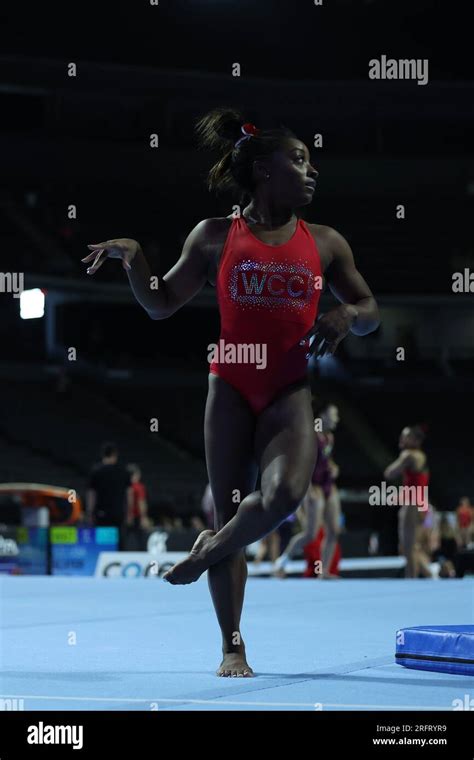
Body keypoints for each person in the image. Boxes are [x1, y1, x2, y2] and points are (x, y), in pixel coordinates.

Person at [81, 107, 380, 677]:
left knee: (286, 495)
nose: (313, 171)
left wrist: (345, 317)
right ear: (265, 170)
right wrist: (135, 257)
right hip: (232, 387)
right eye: (299, 160)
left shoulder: (327, 242)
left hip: (290, 391)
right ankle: (232, 646)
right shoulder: (217, 236)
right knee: (233, 508)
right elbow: (160, 303)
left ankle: (206, 553)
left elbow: (371, 312)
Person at [273, 403, 341, 578]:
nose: (336, 419)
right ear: (322, 415)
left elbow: (326, 461)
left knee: (333, 529)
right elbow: (302, 464)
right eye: (333, 415)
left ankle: (324, 572)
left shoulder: (330, 437)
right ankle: (283, 561)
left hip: (328, 485)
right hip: (313, 485)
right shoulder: (310, 435)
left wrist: (334, 468)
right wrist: (308, 488)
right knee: (310, 534)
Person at [384, 425, 429, 578]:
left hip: (413, 504)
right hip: (419, 502)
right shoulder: (419, 456)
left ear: (416, 440)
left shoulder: (409, 455)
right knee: (411, 547)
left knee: (409, 547)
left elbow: (389, 473)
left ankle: (412, 581)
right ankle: (429, 576)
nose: (401, 439)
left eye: (405, 436)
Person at [86, 442, 132, 548]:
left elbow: (91, 494)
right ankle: (118, 561)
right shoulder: (123, 471)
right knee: (119, 542)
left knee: (103, 543)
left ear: (103, 454)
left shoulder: (96, 471)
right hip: (119, 513)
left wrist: (89, 513)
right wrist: (129, 513)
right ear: (115, 454)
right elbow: (129, 494)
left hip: (101, 514)